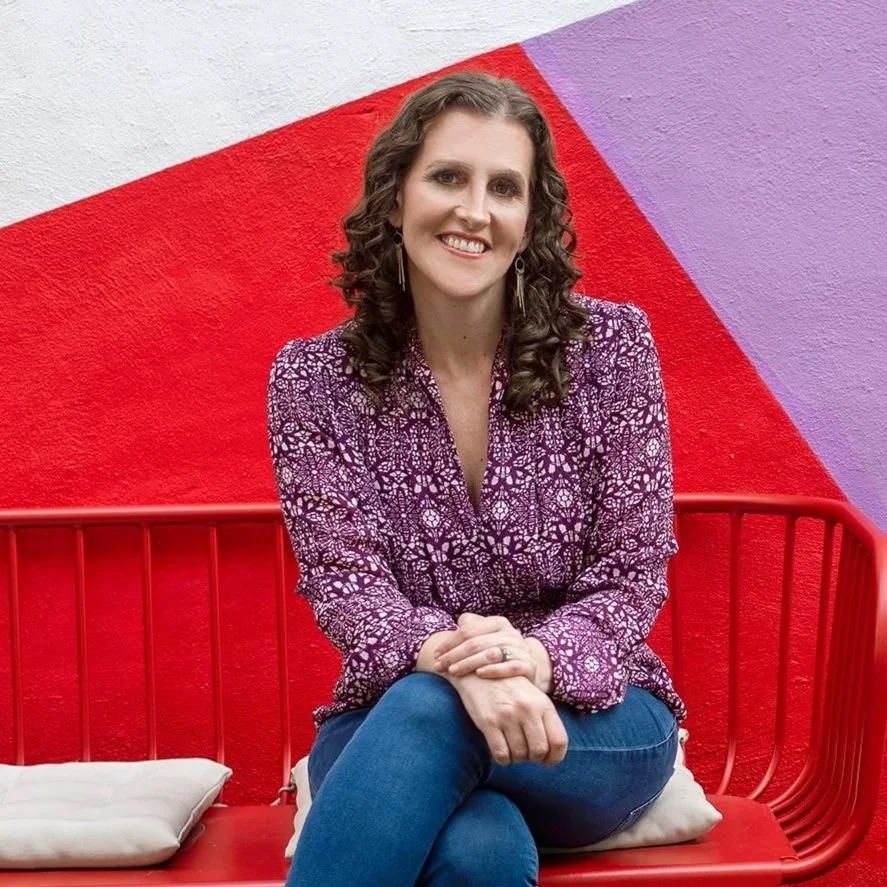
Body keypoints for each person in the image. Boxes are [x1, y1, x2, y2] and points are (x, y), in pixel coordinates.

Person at [267, 70, 686, 887]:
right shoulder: (312, 379)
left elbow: (630, 575)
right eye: (448, 177)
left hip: (592, 718)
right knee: (477, 850)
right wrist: (450, 660)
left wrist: (524, 660)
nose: (474, 211)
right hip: (391, 703)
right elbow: (346, 583)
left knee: (435, 712)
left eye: (504, 188)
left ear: (530, 221)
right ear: (396, 198)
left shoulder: (612, 350)